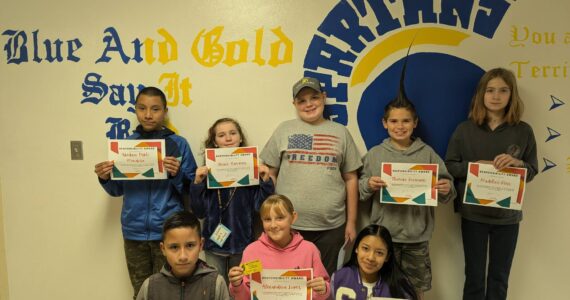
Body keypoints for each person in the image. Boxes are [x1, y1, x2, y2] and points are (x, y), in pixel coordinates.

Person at [358, 56, 456, 299]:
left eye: (405, 121)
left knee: (414, 290)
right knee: (379, 288)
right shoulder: (375, 154)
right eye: (393, 121)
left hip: (416, 238)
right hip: (382, 236)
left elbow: (449, 190)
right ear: (384, 123)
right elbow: (359, 189)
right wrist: (368, 184)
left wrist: (445, 187)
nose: (399, 126)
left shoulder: (427, 153)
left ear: (415, 123)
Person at [94, 87, 197, 299]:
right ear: (135, 110)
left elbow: (192, 188)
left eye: (155, 109)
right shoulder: (126, 145)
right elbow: (116, 190)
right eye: (142, 108)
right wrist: (104, 177)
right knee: (141, 293)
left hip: (169, 232)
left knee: (170, 292)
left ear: (165, 112)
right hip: (133, 231)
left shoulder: (178, 144)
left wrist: (176, 174)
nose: (148, 114)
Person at [445, 67, 538, 300]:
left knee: (499, 277)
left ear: (512, 95)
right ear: (481, 94)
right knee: (474, 276)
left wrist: (518, 164)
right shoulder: (464, 129)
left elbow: (532, 171)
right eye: (490, 90)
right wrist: (478, 168)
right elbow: (450, 165)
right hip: (473, 214)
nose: (496, 96)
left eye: (503, 90)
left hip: (508, 216)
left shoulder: (524, 131)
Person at [260, 76, 362, 275]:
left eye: (314, 97)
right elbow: (270, 174)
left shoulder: (341, 132)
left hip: (331, 228)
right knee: (290, 285)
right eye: (302, 100)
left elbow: (351, 178)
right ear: (294, 104)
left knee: (323, 284)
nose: (309, 104)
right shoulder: (284, 130)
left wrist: (351, 222)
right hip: (287, 227)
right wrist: (269, 218)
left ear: (323, 97)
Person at [189, 117, 274, 284]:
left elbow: (260, 207)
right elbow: (199, 212)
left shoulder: (251, 169)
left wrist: (265, 182)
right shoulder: (206, 172)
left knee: (245, 288)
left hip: (245, 246)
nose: (228, 138)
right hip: (214, 247)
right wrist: (197, 183)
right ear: (214, 141)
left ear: (240, 138)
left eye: (233, 133)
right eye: (221, 135)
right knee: (215, 288)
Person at [228, 194, 330, 300]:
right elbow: (244, 297)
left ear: (293, 217)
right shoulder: (251, 251)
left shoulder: (309, 250)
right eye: (267, 219)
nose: (273, 225)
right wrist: (237, 285)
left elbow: (322, 289)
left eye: (280, 218)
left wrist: (323, 289)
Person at [136, 210, 230, 300]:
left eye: (190, 245)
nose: (183, 256)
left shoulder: (216, 284)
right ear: (163, 249)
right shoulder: (150, 287)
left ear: (201, 245)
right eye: (174, 247)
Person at [331, 224, 418, 299]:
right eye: (365, 248)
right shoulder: (339, 277)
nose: (371, 258)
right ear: (356, 248)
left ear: (387, 257)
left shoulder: (400, 286)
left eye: (379, 253)